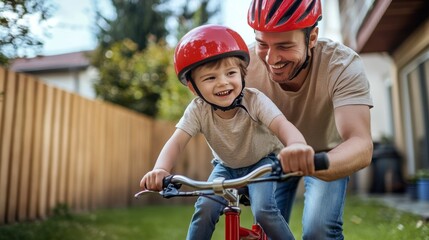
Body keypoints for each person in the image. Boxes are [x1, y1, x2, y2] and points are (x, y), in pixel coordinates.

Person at [140, 24, 314, 239]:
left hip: (262, 164)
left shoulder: (255, 100)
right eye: (210, 78)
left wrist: (297, 146)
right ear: (194, 87)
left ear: (242, 74)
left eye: (230, 73)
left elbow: (282, 126)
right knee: (204, 208)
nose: (223, 82)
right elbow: (176, 142)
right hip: (225, 169)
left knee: (263, 211)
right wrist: (160, 169)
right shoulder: (198, 110)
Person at [245, 0, 374, 239]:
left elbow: (361, 143)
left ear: (312, 37)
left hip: (326, 154)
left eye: (284, 45)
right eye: (262, 44)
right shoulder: (244, 68)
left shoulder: (342, 65)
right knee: (264, 230)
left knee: (319, 230)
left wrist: (311, 162)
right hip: (274, 156)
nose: (271, 59)